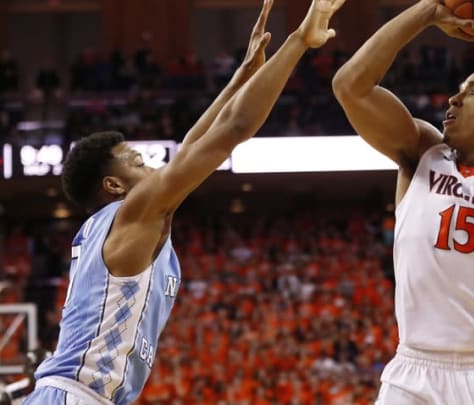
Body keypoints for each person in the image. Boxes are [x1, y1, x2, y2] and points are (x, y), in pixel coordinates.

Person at [24, 0, 346, 404]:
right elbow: (235, 128)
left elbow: (194, 144)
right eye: (137, 162)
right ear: (114, 184)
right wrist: (299, 41)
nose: (153, 167)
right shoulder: (135, 211)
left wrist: (242, 76)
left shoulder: (111, 225)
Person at [332, 0, 474, 403]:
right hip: (413, 370)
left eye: (472, 92)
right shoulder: (421, 153)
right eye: (456, 92)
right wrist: (428, 11)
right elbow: (349, 86)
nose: (452, 101)